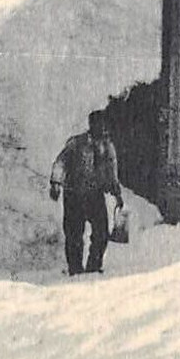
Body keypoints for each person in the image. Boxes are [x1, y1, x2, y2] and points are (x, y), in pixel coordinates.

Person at [49, 113, 124, 275]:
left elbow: (111, 172)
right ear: (91, 125)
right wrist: (56, 183)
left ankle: (93, 266)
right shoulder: (76, 143)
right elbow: (60, 163)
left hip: (94, 195)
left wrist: (117, 192)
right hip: (74, 194)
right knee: (74, 233)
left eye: (103, 124)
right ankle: (75, 269)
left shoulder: (107, 146)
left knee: (102, 232)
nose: (101, 128)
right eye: (98, 124)